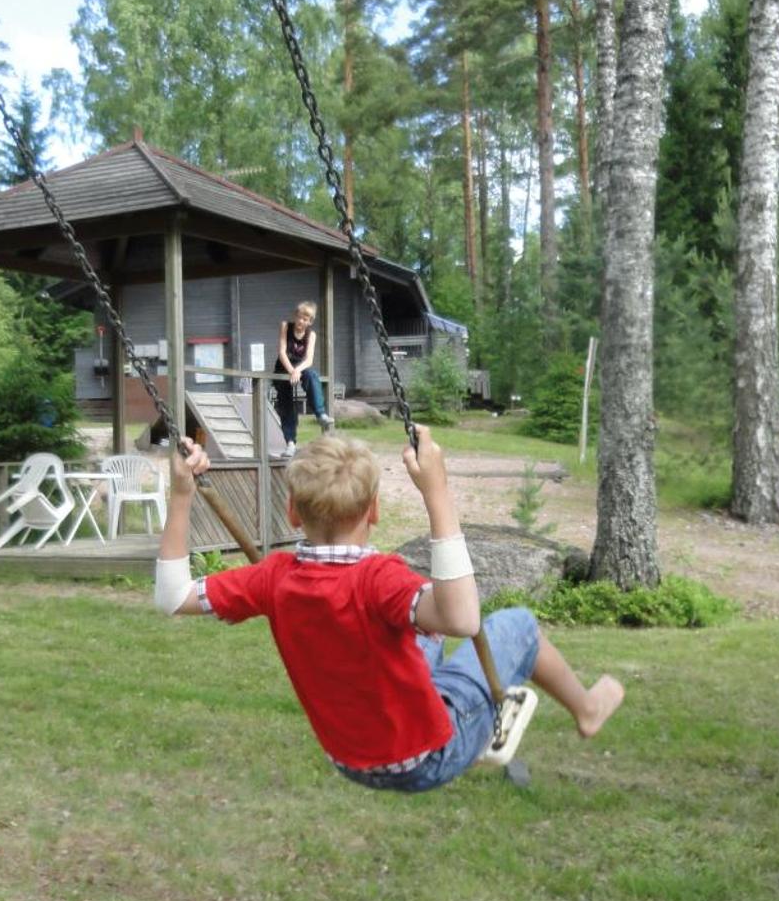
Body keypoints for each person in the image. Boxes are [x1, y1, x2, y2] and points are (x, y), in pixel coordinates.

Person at [151, 429, 625, 791]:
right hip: (426, 757)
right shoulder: (380, 581)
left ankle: (444, 672)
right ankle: (586, 709)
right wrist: (436, 493)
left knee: (421, 630)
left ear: (293, 512)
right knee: (516, 625)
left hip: (349, 758)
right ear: (374, 510)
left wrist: (181, 496)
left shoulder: (273, 577)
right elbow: (464, 620)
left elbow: (172, 595)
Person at [274, 301, 332, 456]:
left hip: (300, 367)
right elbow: (282, 352)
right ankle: (290, 443)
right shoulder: (286, 326)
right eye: (300, 317)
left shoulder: (311, 335)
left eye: (306, 319)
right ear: (296, 316)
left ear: (310, 321)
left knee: (312, 375)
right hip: (284, 367)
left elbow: (309, 360)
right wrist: (291, 371)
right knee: (286, 404)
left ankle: (320, 413)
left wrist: (297, 371)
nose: (301, 322)